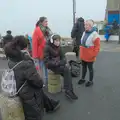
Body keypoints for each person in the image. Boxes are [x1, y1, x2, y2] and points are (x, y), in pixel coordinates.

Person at [4, 36, 60, 120]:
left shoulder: (11, 59)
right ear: (24, 48)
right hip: (26, 93)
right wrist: (30, 59)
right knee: (35, 112)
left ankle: (50, 105)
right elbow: (38, 82)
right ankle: (50, 105)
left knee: (38, 88)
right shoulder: (25, 63)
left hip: (17, 86)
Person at [44, 34, 78, 100]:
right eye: (56, 41)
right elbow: (47, 62)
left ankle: (69, 90)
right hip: (52, 66)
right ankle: (68, 90)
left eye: (59, 41)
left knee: (67, 70)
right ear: (52, 41)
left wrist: (63, 62)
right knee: (66, 70)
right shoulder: (47, 47)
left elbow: (63, 57)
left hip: (58, 64)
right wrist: (59, 63)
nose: (58, 42)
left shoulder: (59, 47)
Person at [78, 20, 100, 87]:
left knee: (90, 69)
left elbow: (97, 47)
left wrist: (93, 55)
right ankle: (83, 79)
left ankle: (90, 81)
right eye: (85, 25)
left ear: (90, 26)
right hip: (83, 54)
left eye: (87, 25)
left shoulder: (95, 35)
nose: (85, 26)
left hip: (90, 55)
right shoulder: (84, 32)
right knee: (84, 67)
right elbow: (83, 42)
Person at [32, 17, 51, 85]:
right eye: (46, 21)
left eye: (47, 21)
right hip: (40, 54)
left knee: (46, 67)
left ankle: (46, 81)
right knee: (40, 69)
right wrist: (35, 56)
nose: (47, 23)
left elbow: (50, 39)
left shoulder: (47, 30)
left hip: (46, 52)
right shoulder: (37, 30)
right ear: (42, 22)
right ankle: (42, 82)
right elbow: (34, 43)